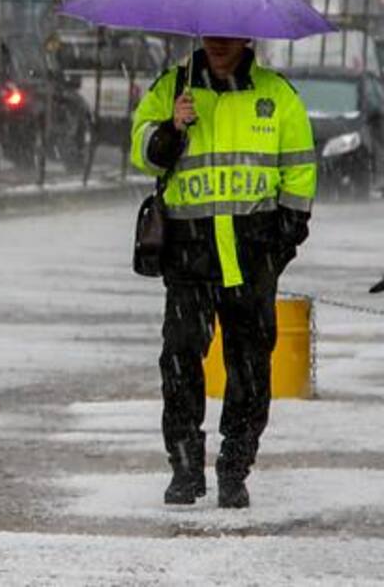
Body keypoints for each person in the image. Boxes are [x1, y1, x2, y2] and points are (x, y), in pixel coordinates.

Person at [130, 36, 316, 509]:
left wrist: (284, 238)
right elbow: (141, 152)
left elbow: (298, 171)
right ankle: (185, 469)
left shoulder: (277, 96)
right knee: (179, 361)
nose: (216, 43)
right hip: (188, 257)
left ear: (246, 39)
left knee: (250, 370)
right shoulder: (172, 88)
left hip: (253, 259)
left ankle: (235, 469)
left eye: (226, 35)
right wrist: (170, 128)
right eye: (209, 34)